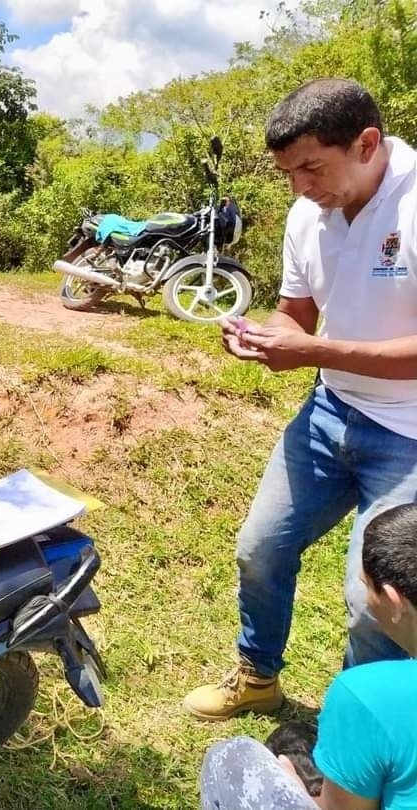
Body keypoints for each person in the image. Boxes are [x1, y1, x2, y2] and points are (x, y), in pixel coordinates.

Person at [184, 78, 417, 720]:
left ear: (367, 143)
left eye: (311, 167)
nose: (300, 187)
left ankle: (357, 734)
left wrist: (313, 353)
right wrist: (264, 336)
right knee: (261, 547)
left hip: (410, 435)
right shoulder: (307, 213)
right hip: (330, 412)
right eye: (288, 172)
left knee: (378, 600)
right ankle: (257, 678)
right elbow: (298, 315)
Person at [200, 502, 417, 809]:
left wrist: (298, 787)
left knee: (230, 759)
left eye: (367, 586)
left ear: (395, 602)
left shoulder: (368, 695)